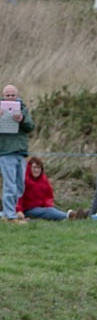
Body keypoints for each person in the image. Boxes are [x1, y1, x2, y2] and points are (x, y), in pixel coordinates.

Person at [0, 84, 34, 222]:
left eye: (12, 95)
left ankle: (9, 212)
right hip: (5, 151)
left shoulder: (23, 109)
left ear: (17, 96)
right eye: (7, 95)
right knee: (10, 185)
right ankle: (10, 215)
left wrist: (22, 120)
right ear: (3, 96)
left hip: (20, 151)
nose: (10, 98)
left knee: (20, 185)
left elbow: (30, 126)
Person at [16, 157, 87, 220]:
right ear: (29, 168)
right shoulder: (24, 180)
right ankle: (70, 216)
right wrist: (19, 210)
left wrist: (48, 205)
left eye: (38, 168)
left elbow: (48, 195)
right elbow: (19, 197)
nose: (36, 170)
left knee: (51, 210)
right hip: (28, 209)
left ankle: (74, 214)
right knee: (48, 211)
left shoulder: (43, 180)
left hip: (42, 207)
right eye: (34, 167)